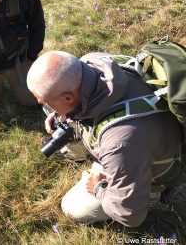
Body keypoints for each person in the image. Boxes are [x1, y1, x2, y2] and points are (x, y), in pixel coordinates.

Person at [27, 51, 185, 227]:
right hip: (144, 132)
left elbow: (131, 216)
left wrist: (98, 188)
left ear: (68, 98)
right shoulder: (94, 62)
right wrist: (59, 112)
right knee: (52, 112)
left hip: (149, 161)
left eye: (45, 101)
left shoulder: (119, 143)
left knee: (72, 207)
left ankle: (155, 194)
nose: (44, 104)